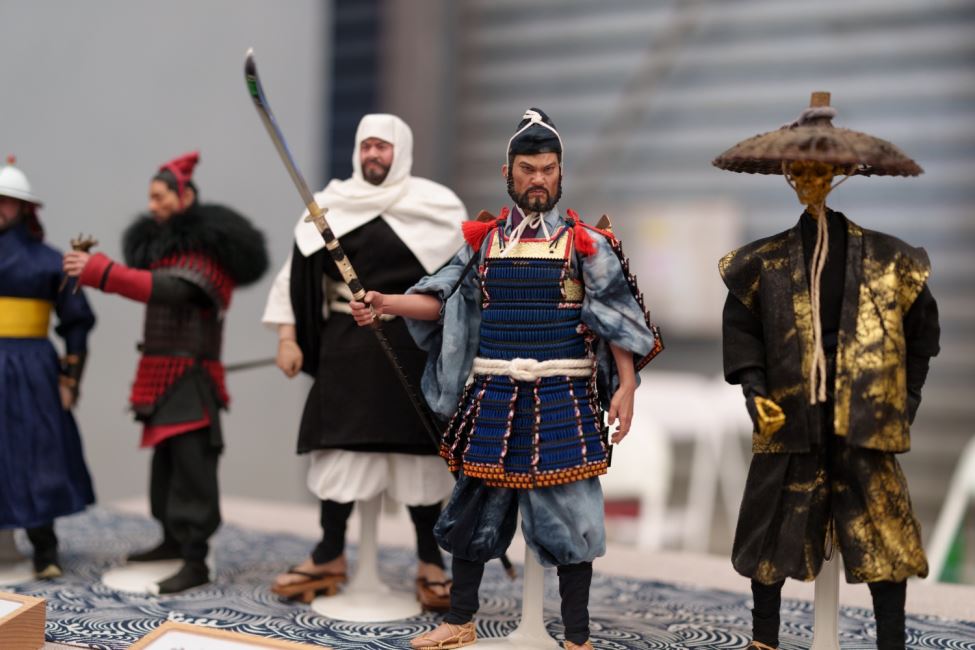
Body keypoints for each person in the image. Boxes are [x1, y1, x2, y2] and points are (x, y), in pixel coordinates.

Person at [349, 108, 661, 650]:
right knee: (472, 508)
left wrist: (627, 384)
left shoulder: (585, 243)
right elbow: (442, 298)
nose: (538, 179)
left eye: (547, 169)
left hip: (562, 397)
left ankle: (578, 636)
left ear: (560, 173)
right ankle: (460, 619)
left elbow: (614, 316)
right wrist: (386, 303)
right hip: (493, 395)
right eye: (527, 169)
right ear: (507, 173)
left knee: (573, 518)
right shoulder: (485, 242)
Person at [714, 94, 940, 650]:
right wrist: (755, 391)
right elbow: (743, 332)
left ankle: (891, 641)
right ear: (788, 173)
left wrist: (904, 402)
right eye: (800, 171)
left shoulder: (889, 260)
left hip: (864, 421)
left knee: (883, 535)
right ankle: (764, 638)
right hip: (790, 418)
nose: (810, 181)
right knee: (769, 531)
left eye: (820, 171)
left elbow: (921, 337)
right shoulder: (762, 263)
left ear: (840, 173)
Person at [262, 114, 465, 609]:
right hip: (346, 348)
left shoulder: (437, 207)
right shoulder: (331, 205)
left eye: (383, 146)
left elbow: (458, 285)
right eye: (367, 145)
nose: (374, 154)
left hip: (413, 347)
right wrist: (288, 338)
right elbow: (294, 277)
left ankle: (430, 560)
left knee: (420, 460)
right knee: (341, 453)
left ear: (402, 150)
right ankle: (329, 553)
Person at [63, 152, 268, 594]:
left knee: (193, 470)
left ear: (185, 196)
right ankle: (172, 539)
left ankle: (196, 557)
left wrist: (101, 272)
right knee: (167, 469)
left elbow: (169, 289)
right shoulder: (169, 253)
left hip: (191, 379)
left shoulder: (206, 255)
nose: (152, 205)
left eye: (160, 197)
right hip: (161, 375)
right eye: (151, 198)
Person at [0, 155, 96, 579]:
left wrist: (70, 379)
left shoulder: (50, 260)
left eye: (7, 200)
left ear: (24, 207)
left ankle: (45, 548)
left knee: (38, 453)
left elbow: (77, 321)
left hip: (31, 368)